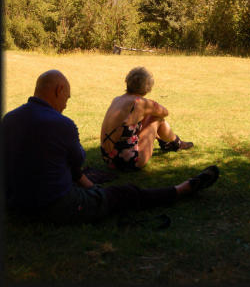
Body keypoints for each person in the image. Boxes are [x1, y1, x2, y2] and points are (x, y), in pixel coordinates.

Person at [3, 69, 219, 226]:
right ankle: (182, 189)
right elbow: (78, 161)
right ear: (59, 90)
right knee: (124, 194)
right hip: (53, 207)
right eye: (66, 98)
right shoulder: (62, 124)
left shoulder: (9, 119)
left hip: (16, 203)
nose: (66, 105)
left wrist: (88, 185)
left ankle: (94, 188)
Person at [101, 66, 193, 171]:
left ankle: (168, 143)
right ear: (147, 87)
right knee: (157, 118)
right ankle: (176, 143)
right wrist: (151, 106)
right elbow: (165, 112)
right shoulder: (141, 103)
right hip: (129, 162)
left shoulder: (116, 99)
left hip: (108, 159)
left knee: (147, 116)